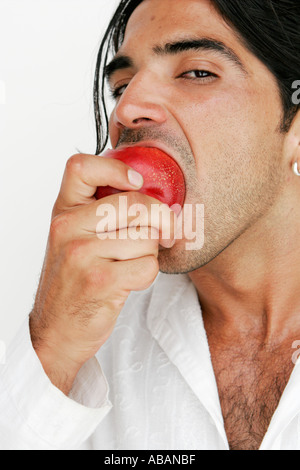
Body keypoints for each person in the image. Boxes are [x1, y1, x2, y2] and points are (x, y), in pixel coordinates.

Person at [1, 0, 300, 451]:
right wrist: (54, 350)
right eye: (122, 84)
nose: (127, 109)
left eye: (197, 73)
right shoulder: (83, 347)